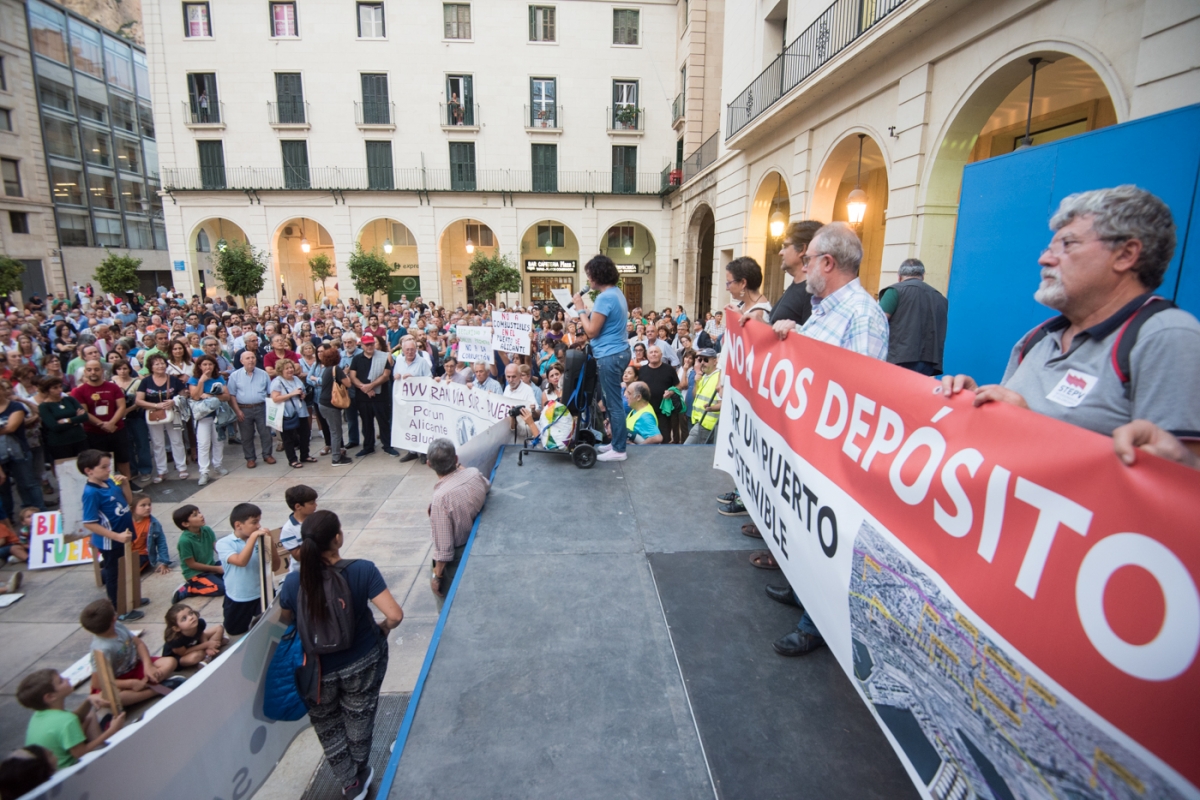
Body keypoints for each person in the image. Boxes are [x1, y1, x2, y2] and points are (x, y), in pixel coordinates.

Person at [940, 185, 1200, 448]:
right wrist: (976, 403)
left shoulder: (1166, 336)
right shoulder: (1037, 339)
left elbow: (1176, 470)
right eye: (1048, 248)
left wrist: (1027, 424)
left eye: (1067, 244)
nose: (1045, 260)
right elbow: (1006, 428)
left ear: (1125, 255)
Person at [766, 222, 889, 657]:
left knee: (826, 537)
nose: (803, 265)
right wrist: (793, 335)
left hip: (833, 454)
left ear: (828, 263)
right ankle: (803, 593)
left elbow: (862, 390)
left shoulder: (862, 315)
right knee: (804, 527)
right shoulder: (824, 309)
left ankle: (815, 623)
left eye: (809, 258)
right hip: (809, 445)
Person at [278, 510, 404, 800]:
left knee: (327, 725)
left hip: (317, 671)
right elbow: (395, 615)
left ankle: (349, 784)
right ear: (338, 538)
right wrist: (383, 628)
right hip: (362, 661)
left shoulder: (294, 582)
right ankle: (360, 770)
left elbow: (286, 619)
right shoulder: (362, 570)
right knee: (359, 717)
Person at [573, 256, 629, 462]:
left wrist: (580, 308)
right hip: (617, 352)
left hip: (609, 355)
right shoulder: (616, 293)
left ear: (598, 275)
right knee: (610, 401)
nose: (588, 280)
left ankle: (619, 449)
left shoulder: (605, 298)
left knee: (613, 404)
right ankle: (615, 444)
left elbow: (591, 331)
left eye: (589, 275)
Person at [425, 439, 489, 608]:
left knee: (450, 605)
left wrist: (437, 576)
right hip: (478, 542)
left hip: (457, 557)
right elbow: (487, 485)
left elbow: (444, 549)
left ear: (429, 464)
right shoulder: (473, 474)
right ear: (456, 459)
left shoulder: (441, 499)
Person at [78, 450, 142, 620]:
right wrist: (115, 536)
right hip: (111, 541)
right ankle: (118, 607)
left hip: (125, 535)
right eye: (104, 467)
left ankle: (130, 597)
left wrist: (125, 484)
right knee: (115, 573)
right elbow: (89, 522)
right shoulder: (91, 493)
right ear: (89, 470)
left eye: (109, 466)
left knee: (127, 567)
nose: (109, 470)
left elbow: (128, 501)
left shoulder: (110, 482)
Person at [17, 669, 123, 770]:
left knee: (90, 715)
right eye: (61, 681)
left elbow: (75, 718)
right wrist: (112, 730)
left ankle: (103, 749)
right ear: (50, 697)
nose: (67, 679)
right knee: (94, 724)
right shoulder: (66, 721)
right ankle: (106, 758)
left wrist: (88, 701)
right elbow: (81, 753)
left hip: (49, 768)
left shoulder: (40, 713)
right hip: (68, 771)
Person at [81, 599, 176, 707]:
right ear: (113, 618)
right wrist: (130, 684)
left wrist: (148, 666)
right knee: (110, 699)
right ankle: (155, 690)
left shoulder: (117, 626)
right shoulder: (101, 649)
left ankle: (145, 685)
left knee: (170, 662)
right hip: (117, 680)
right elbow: (97, 683)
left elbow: (139, 644)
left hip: (135, 667)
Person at [215, 503, 280, 636]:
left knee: (272, 627)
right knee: (235, 631)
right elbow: (241, 561)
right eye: (254, 522)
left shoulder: (260, 540)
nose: (258, 526)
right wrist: (253, 538)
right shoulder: (224, 543)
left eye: (259, 521)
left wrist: (270, 543)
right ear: (238, 525)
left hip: (263, 593)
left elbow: (276, 566)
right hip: (239, 596)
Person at [878, 257, 947, 375]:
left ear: (899, 276)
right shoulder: (940, 297)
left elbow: (878, 322)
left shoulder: (894, 291)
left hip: (899, 359)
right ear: (923, 275)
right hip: (929, 363)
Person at [71, 361, 135, 485]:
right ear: (85, 372)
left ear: (102, 371)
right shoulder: (79, 391)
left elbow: (121, 406)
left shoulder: (113, 387)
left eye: (96, 369)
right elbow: (84, 412)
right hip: (94, 432)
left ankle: (128, 483)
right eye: (89, 370)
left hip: (117, 429)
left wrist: (111, 423)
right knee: (99, 461)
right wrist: (102, 424)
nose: (93, 372)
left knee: (123, 458)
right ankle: (106, 485)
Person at [136, 354, 189, 483]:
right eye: (157, 364)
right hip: (154, 415)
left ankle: (181, 468)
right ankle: (161, 471)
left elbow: (184, 395)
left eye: (162, 363)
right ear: (151, 367)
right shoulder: (146, 381)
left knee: (176, 440)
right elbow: (139, 400)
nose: (160, 366)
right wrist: (155, 405)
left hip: (172, 413)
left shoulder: (173, 379)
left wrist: (174, 401)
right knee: (157, 443)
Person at [0, 380, 44, 521]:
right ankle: (8, 520)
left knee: (28, 484)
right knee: (3, 489)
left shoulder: (15, 406)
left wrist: (5, 428)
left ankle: (40, 514)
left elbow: (11, 427)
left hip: (19, 452)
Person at [349, 333, 397, 457]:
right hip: (363, 397)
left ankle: (387, 445)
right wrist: (364, 388)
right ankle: (368, 446)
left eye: (371, 344)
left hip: (380, 396)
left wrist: (371, 386)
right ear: (362, 345)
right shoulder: (357, 359)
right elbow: (353, 376)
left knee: (383, 422)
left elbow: (386, 375)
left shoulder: (383, 356)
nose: (370, 346)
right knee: (366, 423)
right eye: (367, 345)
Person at [228, 350, 275, 469]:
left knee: (266, 433)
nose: (251, 360)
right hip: (244, 408)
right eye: (247, 358)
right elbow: (232, 395)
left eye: (253, 357)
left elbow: (270, 392)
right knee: (246, 436)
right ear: (241, 361)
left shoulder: (263, 374)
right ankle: (250, 458)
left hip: (261, 407)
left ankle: (267, 455)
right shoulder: (235, 375)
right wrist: (237, 411)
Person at [170, 504, 225, 602]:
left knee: (236, 572)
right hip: (196, 574)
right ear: (186, 524)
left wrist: (231, 559)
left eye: (199, 512)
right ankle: (189, 589)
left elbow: (217, 548)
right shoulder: (184, 541)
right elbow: (192, 564)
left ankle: (214, 577)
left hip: (211, 566)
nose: (201, 515)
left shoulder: (207, 530)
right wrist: (217, 569)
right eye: (195, 515)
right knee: (221, 588)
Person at [188, 355, 229, 484]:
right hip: (203, 417)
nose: (208, 367)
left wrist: (211, 396)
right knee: (203, 444)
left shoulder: (218, 378)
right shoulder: (194, 379)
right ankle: (204, 471)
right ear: (199, 366)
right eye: (204, 364)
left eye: (210, 364)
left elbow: (226, 396)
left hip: (217, 415)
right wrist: (201, 381)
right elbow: (195, 396)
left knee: (218, 441)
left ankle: (218, 465)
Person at [270, 359, 315, 468]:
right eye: (287, 368)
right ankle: (292, 460)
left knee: (305, 434)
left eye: (291, 367)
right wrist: (292, 394)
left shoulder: (296, 379)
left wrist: (302, 395)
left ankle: (305, 455)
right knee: (288, 438)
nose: (290, 370)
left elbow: (302, 391)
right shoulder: (277, 382)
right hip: (287, 413)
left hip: (301, 411)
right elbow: (275, 398)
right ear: (281, 370)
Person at [393, 337, 432, 462]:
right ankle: (412, 451)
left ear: (416, 350)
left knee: (420, 425)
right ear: (403, 350)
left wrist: (414, 378)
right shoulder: (399, 361)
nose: (410, 352)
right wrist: (396, 376)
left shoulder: (422, 362)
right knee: (409, 424)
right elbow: (395, 375)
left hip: (419, 401)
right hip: (405, 400)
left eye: (412, 349)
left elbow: (429, 378)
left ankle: (424, 452)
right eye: (407, 350)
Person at [318, 347, 354, 466]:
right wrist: (346, 373)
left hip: (323, 403)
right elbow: (348, 383)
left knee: (333, 430)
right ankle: (336, 458)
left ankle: (337, 455)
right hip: (331, 405)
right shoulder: (336, 369)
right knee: (336, 432)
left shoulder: (326, 369)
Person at [37, 377, 87, 462]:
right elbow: (55, 427)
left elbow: (84, 416)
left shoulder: (70, 399)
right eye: (55, 388)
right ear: (47, 390)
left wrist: (67, 420)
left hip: (79, 438)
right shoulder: (44, 406)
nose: (59, 390)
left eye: (60, 386)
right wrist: (76, 420)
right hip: (60, 443)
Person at [162, 603, 226, 667]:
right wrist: (206, 644)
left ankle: (210, 650)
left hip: (195, 644)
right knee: (196, 656)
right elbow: (184, 653)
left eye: (191, 613)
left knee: (219, 628)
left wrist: (207, 646)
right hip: (181, 657)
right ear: (177, 628)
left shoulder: (199, 623)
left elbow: (201, 634)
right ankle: (210, 652)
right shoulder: (175, 639)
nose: (191, 617)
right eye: (184, 618)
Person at [638, 345, 679, 443]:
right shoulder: (642, 370)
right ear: (647, 355)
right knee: (647, 438)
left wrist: (671, 392)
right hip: (646, 411)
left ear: (661, 355)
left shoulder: (669, 369)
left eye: (656, 352)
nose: (653, 354)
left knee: (664, 439)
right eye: (651, 352)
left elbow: (678, 386)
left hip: (664, 411)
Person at [683, 349, 722, 444]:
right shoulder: (704, 376)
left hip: (708, 423)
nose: (702, 363)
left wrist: (711, 408)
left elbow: (722, 403)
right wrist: (696, 382)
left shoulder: (719, 378)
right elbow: (695, 396)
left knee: (686, 449)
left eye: (706, 360)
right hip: (699, 421)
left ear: (715, 361)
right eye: (700, 360)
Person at [278, 484, 317, 573]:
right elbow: (298, 556)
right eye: (312, 503)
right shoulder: (288, 529)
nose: (316, 505)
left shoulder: (318, 519)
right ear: (298, 506)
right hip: (303, 573)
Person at [129, 493, 171, 576]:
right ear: (132, 508)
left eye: (149, 504)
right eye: (143, 505)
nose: (148, 507)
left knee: (129, 573)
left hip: (142, 554)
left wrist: (164, 562)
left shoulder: (153, 524)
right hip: (125, 553)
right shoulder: (125, 521)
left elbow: (161, 543)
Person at [502, 363, 539, 440]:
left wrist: (533, 410)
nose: (510, 380)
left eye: (513, 377)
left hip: (522, 434)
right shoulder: (506, 388)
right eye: (508, 377)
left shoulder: (528, 390)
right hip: (507, 432)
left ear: (519, 376)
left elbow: (536, 413)